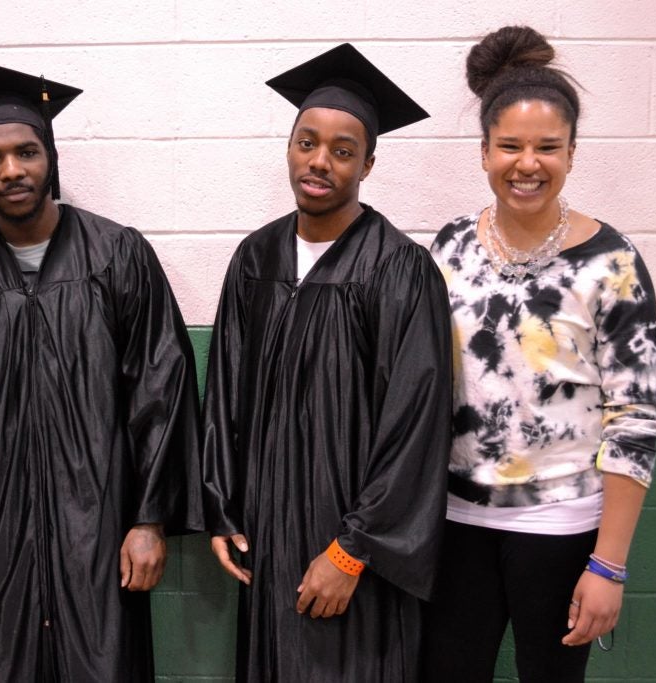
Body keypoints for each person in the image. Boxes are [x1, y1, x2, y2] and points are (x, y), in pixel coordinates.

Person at [0, 62, 203, 681]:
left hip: (101, 533)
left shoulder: (119, 255)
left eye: (26, 152)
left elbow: (161, 389)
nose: (11, 170)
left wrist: (148, 520)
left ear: (50, 156)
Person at [202, 44, 453, 681]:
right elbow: (224, 394)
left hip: (354, 551)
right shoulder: (255, 260)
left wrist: (351, 552)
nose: (320, 162)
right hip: (267, 534)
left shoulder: (400, 270)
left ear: (368, 162)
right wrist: (222, 509)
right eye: (307, 142)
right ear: (289, 148)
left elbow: (416, 427)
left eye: (343, 150)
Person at [422, 25, 656, 682]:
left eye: (547, 148)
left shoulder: (611, 263)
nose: (527, 163)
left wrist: (608, 564)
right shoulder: (447, 250)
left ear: (572, 153)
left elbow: (636, 416)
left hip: (562, 527)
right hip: (455, 521)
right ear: (483, 153)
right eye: (510, 146)